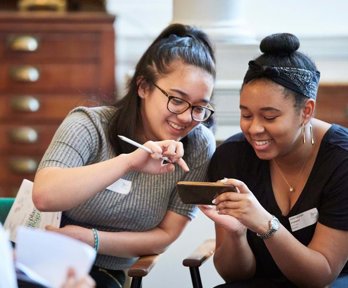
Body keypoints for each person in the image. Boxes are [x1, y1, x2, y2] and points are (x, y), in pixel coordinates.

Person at [32, 23, 216, 288]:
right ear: (143, 86)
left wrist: (91, 239)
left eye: (200, 107)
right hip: (43, 257)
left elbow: (165, 236)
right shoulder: (89, 124)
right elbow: (44, 195)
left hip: (105, 273)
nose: (188, 117)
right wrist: (128, 161)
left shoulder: (198, 146)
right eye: (176, 100)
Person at [200, 33, 348, 287]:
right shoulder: (232, 157)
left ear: (306, 111)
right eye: (246, 115)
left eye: (269, 117)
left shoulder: (341, 161)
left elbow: (320, 274)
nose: (255, 129)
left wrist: (265, 224)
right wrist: (236, 235)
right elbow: (235, 276)